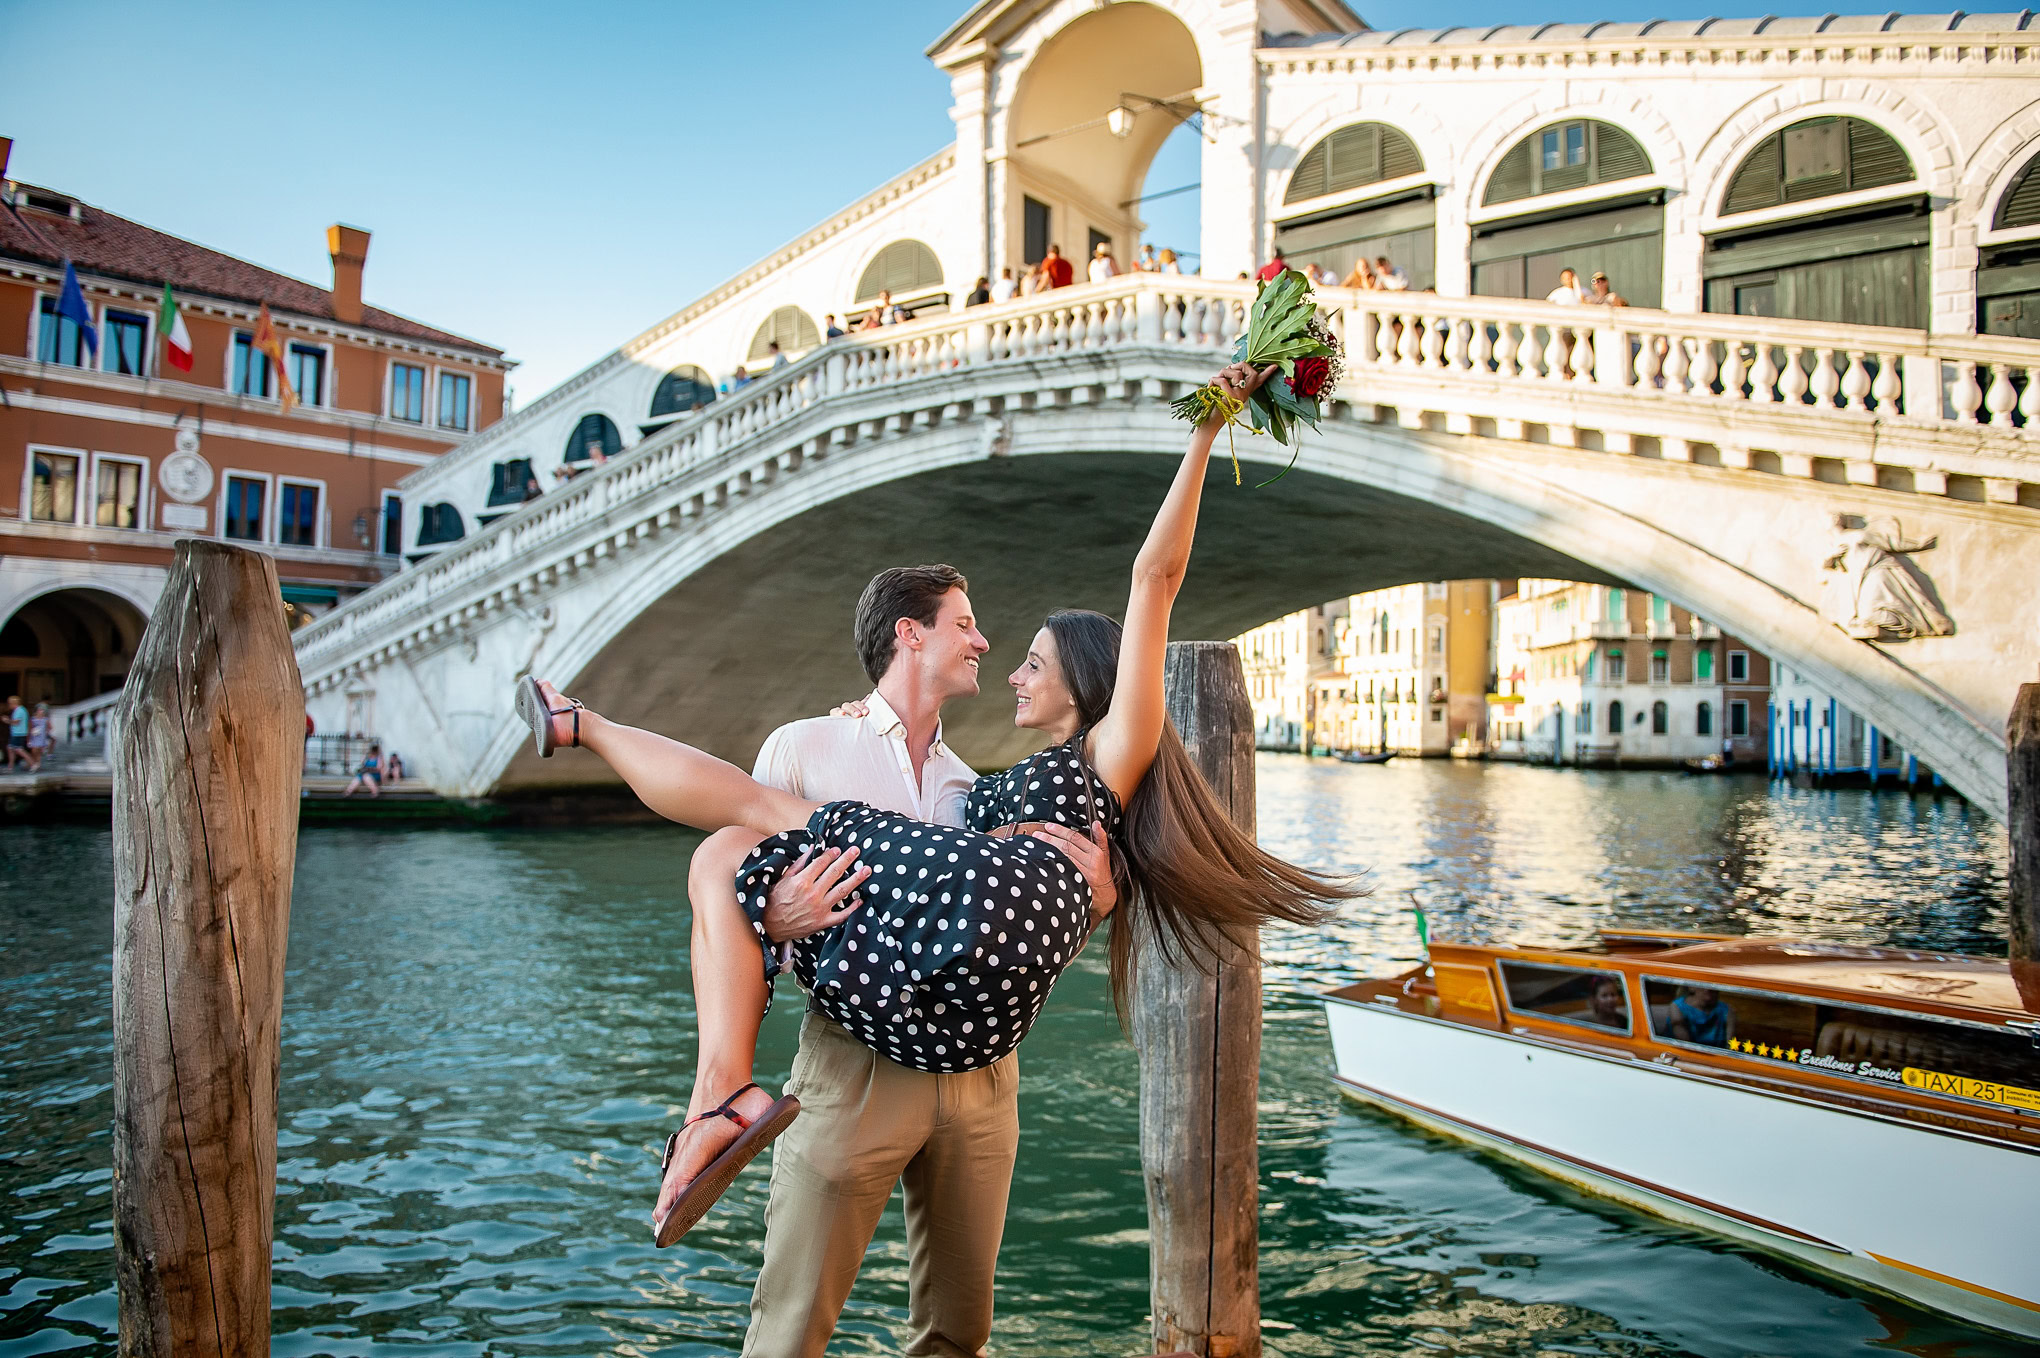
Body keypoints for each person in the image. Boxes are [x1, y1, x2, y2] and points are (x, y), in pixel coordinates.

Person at [512, 363, 1353, 1328]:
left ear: (1086, 677)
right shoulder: (911, 769)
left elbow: (1153, 578)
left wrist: (1206, 429)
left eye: (1029, 658)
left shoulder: (1067, 763)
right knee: (730, 849)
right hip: (870, 1042)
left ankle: (588, 734)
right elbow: (791, 907)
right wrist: (782, 919)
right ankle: (712, 1070)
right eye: (975, 630)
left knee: (732, 836)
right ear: (910, 636)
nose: (1000, 659)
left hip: (979, 1050)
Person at [1668, 986, 1734, 1047]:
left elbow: (1729, 1044)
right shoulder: (1677, 1007)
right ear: (1691, 987)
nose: (1708, 989)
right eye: (1704, 984)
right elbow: (1685, 1045)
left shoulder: (1725, 1009)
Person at [25, 702, 51, 772]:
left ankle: (37, 764)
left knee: (39, 751)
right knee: (34, 750)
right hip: (34, 737)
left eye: (42, 710)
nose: (41, 712)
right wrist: (29, 737)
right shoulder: (33, 719)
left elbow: (50, 727)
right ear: (36, 711)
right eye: (39, 710)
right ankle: (32, 763)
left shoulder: (45, 719)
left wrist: (46, 731)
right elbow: (29, 728)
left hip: (41, 737)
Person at [6, 696, 27, 770]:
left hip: (18, 733)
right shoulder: (19, 710)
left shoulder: (20, 710)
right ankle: (10, 766)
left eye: (10, 703)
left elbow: (16, 722)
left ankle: (33, 764)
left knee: (19, 750)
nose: (9, 705)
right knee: (10, 748)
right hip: (16, 733)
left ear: (14, 703)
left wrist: (7, 720)